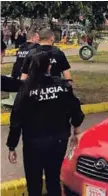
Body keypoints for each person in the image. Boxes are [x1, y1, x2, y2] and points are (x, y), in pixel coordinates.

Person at [6, 51, 84, 196]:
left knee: (34, 180)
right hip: (59, 140)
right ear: (49, 67)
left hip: (34, 143)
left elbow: (16, 119)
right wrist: (77, 132)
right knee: (54, 179)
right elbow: (76, 109)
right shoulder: (62, 85)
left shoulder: (26, 89)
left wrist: (12, 146)